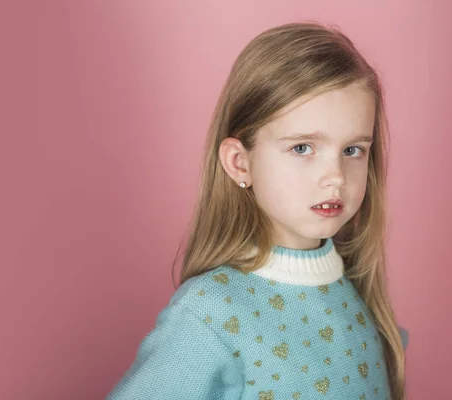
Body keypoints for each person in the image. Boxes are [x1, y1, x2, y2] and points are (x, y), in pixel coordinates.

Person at [106, 21, 408, 400]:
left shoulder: (358, 291)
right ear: (239, 162)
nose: (335, 177)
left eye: (352, 150)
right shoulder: (209, 314)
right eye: (302, 148)